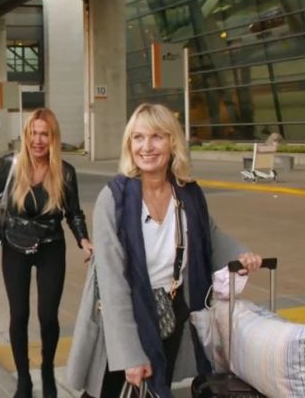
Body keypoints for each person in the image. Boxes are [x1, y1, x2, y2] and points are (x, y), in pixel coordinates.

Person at [66, 103, 263, 398]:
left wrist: (241, 254)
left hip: (170, 313)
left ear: (173, 142)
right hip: (124, 319)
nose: (146, 147)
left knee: (156, 389)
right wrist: (130, 355)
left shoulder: (187, 193)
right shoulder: (114, 199)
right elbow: (112, 283)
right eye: (138, 137)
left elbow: (209, 236)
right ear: (129, 143)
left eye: (157, 136)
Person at [0, 109, 93, 398]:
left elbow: (73, 212)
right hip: (15, 245)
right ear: (26, 135)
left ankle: (49, 371)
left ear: (52, 138)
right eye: (33, 133)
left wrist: (83, 239)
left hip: (51, 245)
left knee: (48, 316)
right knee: (19, 314)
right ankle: (24, 380)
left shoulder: (64, 172)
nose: (38, 140)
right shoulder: (12, 166)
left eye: (44, 134)